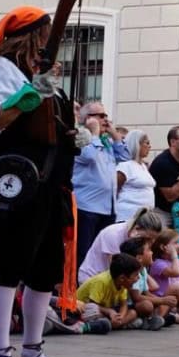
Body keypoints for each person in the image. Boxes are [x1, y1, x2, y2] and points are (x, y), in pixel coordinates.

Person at [0, 5, 78, 357]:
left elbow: (50, 125)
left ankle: (33, 350)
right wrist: (31, 90)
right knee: (8, 263)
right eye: (47, 33)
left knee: (45, 267)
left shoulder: (40, 75)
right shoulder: (3, 70)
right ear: (32, 35)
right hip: (17, 182)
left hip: (49, 183)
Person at [73, 101, 129, 263]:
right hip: (87, 206)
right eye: (101, 115)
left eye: (106, 116)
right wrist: (95, 134)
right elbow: (87, 156)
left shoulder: (105, 142)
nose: (106, 119)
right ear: (88, 118)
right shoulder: (81, 136)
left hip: (107, 206)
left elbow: (125, 157)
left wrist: (114, 135)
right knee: (84, 252)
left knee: (102, 253)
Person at [79, 207, 166, 283]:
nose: (149, 243)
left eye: (153, 239)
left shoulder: (138, 236)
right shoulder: (113, 234)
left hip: (115, 281)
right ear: (137, 228)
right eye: (147, 238)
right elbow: (116, 270)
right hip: (92, 278)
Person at [75, 253, 142, 331]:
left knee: (133, 313)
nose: (138, 278)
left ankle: (114, 324)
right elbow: (93, 305)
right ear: (122, 278)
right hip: (83, 309)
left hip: (106, 310)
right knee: (95, 311)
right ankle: (114, 324)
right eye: (135, 275)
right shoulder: (101, 281)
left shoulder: (123, 285)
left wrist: (120, 317)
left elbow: (124, 305)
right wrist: (110, 312)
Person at [116, 131, 157, 223]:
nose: (150, 146)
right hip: (128, 216)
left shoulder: (143, 166)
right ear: (137, 144)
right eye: (147, 143)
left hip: (144, 217)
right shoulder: (125, 166)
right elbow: (115, 189)